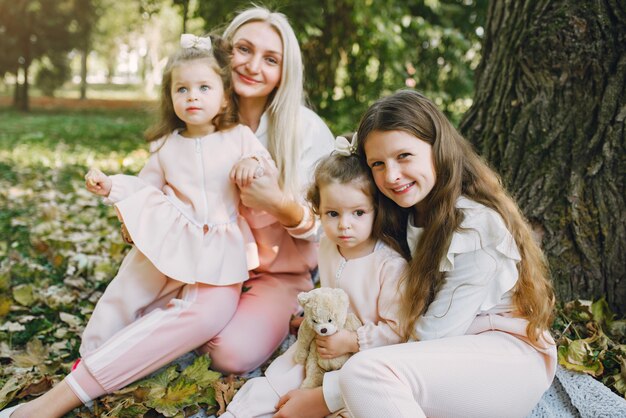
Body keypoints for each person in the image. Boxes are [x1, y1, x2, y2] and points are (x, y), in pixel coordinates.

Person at [0, 6, 333, 418]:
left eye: (270, 59)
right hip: (195, 257)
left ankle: (200, 328)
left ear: (285, 71)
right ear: (221, 56)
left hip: (274, 272)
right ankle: (100, 364)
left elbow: (328, 229)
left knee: (228, 351)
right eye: (243, 49)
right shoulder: (195, 122)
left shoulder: (304, 130)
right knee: (146, 299)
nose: (251, 65)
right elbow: (157, 185)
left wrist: (280, 204)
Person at [268, 90, 557, 418]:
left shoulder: (475, 228)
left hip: (502, 362)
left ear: (437, 149)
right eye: (378, 164)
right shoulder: (404, 213)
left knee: (361, 374)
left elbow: (432, 337)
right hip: (440, 362)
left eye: (404, 156)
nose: (391, 175)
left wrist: (324, 397)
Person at [78, 32, 272, 357]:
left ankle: (145, 351)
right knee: (130, 287)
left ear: (225, 98)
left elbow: (267, 164)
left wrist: (253, 162)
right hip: (169, 232)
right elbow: (145, 187)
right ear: (171, 97)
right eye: (182, 89)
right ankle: (93, 352)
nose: (192, 96)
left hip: (218, 240)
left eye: (204, 88)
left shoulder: (239, 138)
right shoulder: (167, 145)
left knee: (186, 303)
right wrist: (111, 186)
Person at [222, 138, 407, 418]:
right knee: (274, 388)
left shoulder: (390, 265)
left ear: (377, 210)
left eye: (358, 213)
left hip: (364, 357)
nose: (344, 225)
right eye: (333, 214)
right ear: (318, 211)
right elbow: (329, 295)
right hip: (322, 347)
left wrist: (351, 341)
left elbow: (399, 331)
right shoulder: (330, 247)